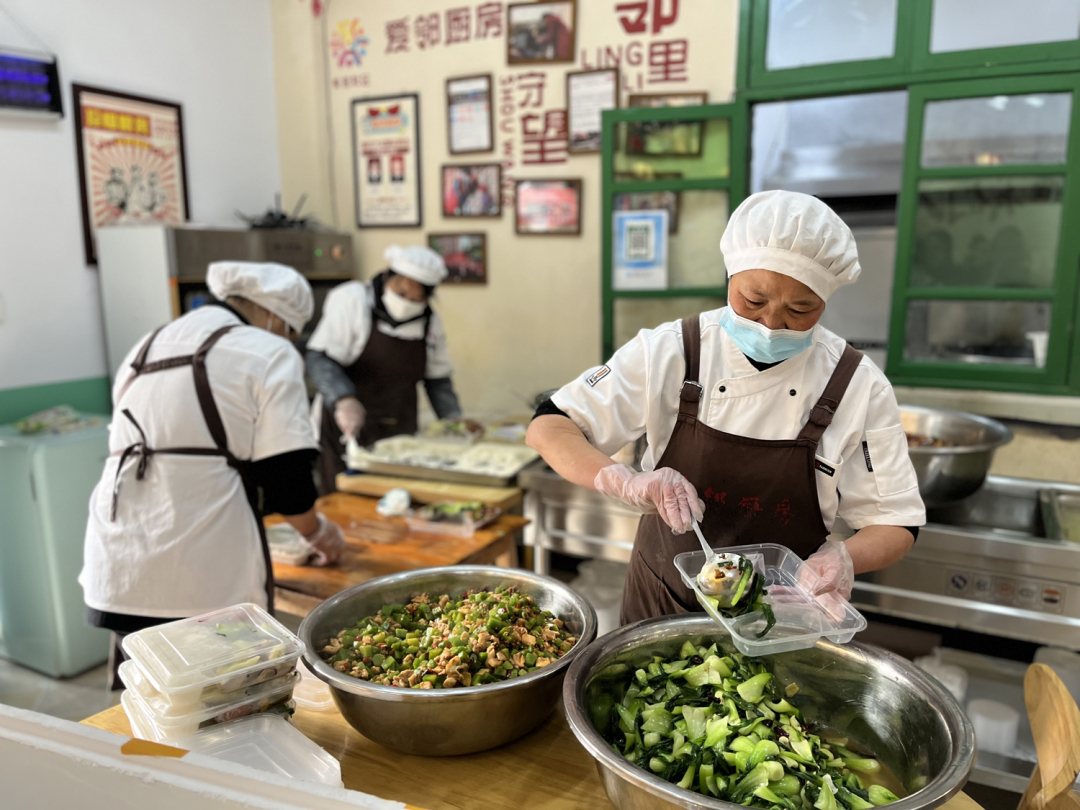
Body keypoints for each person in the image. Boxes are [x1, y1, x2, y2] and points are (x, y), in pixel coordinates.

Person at [527, 190, 925, 626]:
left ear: (825, 302)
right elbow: (550, 425)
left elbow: (897, 523)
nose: (771, 324)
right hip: (662, 602)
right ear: (730, 277)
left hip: (782, 616)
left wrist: (844, 558)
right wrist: (627, 482)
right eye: (753, 301)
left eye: (800, 309)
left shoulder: (857, 384)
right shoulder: (673, 350)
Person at [80, 261, 346, 686]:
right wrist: (318, 533)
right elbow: (286, 479)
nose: (288, 341)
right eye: (291, 331)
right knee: (224, 705)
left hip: (121, 561)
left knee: (154, 700)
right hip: (202, 566)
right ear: (276, 317)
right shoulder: (268, 350)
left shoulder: (146, 346)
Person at [306, 245, 467, 494]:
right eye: (401, 292)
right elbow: (320, 358)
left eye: (416, 299)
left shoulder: (430, 323)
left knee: (398, 499)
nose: (407, 302)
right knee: (344, 501)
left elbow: (437, 380)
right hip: (346, 427)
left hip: (399, 427)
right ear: (386, 278)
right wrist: (343, 399)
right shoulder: (352, 300)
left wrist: (453, 420)